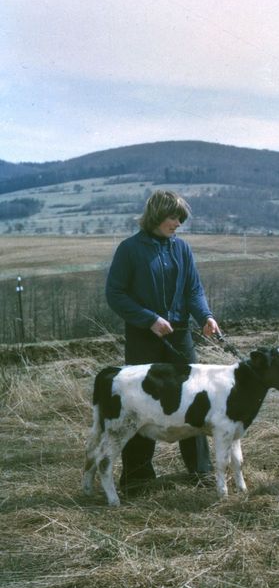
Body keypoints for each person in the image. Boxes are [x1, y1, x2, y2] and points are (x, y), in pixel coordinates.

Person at [106, 189, 221, 494]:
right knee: (140, 404)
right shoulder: (129, 249)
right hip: (144, 338)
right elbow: (115, 295)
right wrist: (149, 319)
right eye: (173, 217)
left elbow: (193, 290)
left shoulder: (182, 249)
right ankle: (138, 478)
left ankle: (200, 470)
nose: (178, 224)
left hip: (180, 337)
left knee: (193, 399)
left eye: (180, 218)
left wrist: (205, 317)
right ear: (156, 216)